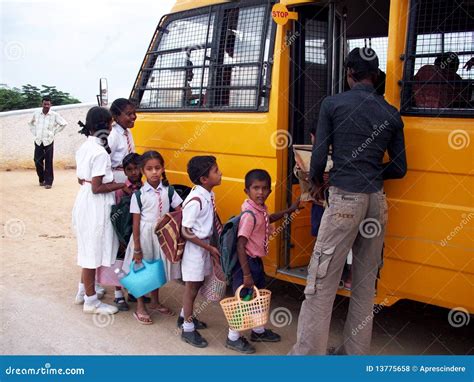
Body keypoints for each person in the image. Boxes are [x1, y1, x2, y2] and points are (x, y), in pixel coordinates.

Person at [289, 48, 407, 355]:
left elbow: (318, 156)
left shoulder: (333, 104)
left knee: (321, 283)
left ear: (349, 73)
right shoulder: (391, 114)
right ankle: (354, 357)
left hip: (344, 201)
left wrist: (316, 183)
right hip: (376, 203)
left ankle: (306, 359)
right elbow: (399, 168)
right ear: (377, 76)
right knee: (365, 286)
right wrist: (369, 170)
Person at [226, 169, 301, 354]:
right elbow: (240, 245)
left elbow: (268, 219)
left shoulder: (260, 210)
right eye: (255, 188)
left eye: (265, 188)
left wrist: (290, 210)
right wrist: (246, 275)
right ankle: (232, 337)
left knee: (257, 298)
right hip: (246, 264)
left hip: (255, 262)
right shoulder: (249, 216)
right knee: (244, 300)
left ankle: (257, 330)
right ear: (247, 191)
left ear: (269, 191)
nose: (260, 192)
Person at [72, 106, 129, 315]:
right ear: (105, 125)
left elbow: (83, 180)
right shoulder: (100, 153)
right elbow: (97, 187)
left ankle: (83, 291)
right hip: (95, 204)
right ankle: (91, 301)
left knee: (89, 248)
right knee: (91, 253)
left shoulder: (85, 146)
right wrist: (120, 185)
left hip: (85, 200)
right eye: (111, 123)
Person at [122, 150, 183, 324]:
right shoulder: (139, 195)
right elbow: (135, 223)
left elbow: (181, 210)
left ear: (163, 169)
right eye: (149, 169)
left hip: (161, 236)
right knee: (142, 270)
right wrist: (137, 247)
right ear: (143, 171)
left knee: (156, 268)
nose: (154, 172)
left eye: (157, 168)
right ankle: (141, 306)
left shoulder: (169, 191)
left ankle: (155, 302)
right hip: (144, 236)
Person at [178, 156, 222, 348]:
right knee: (191, 288)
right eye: (216, 171)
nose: (220, 173)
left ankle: (184, 317)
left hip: (203, 247)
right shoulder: (196, 200)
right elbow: (185, 231)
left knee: (197, 285)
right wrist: (209, 247)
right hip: (195, 250)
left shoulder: (207, 194)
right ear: (204, 179)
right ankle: (187, 329)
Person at [112, 152, 143, 311]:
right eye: (129, 169)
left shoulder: (144, 189)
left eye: (137, 168)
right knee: (119, 261)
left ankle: (132, 290)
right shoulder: (120, 191)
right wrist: (119, 237)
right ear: (124, 171)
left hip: (136, 234)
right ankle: (118, 294)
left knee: (135, 262)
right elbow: (115, 214)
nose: (134, 172)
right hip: (122, 234)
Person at [28, 96, 67, 189]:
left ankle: (48, 182)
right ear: (42, 104)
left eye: (48, 104)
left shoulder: (54, 115)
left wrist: (53, 133)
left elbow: (64, 123)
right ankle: (41, 179)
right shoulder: (37, 114)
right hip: (38, 141)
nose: (46, 106)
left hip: (48, 141)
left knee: (48, 161)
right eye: (45, 104)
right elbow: (30, 123)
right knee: (37, 160)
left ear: (51, 105)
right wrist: (35, 132)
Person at [108, 98, 137, 183]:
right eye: (129, 114)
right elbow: (105, 162)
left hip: (129, 178)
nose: (133, 116)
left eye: (134, 113)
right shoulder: (113, 135)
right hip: (117, 180)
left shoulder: (127, 132)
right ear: (116, 117)